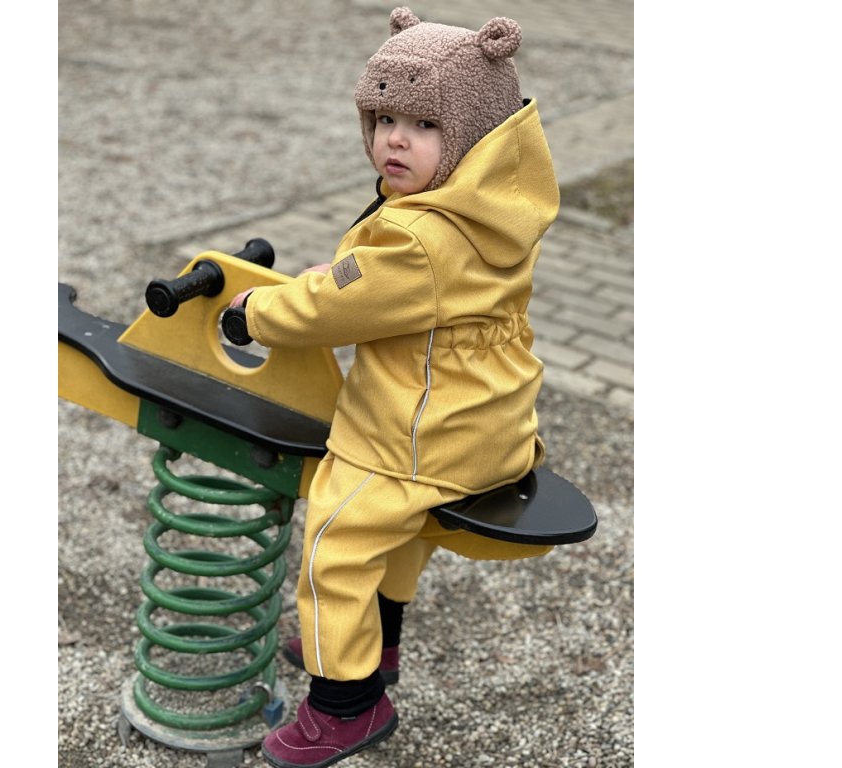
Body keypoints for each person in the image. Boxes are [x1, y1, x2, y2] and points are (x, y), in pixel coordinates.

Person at [228, 8, 561, 767]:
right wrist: (345, 277)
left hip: (420, 437)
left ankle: (346, 707)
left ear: (473, 133)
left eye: (423, 124)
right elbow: (393, 289)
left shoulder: (420, 238)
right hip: (489, 424)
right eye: (383, 119)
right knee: (400, 535)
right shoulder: (492, 203)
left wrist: (258, 313)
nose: (394, 141)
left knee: (336, 542)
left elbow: (337, 306)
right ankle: (373, 647)